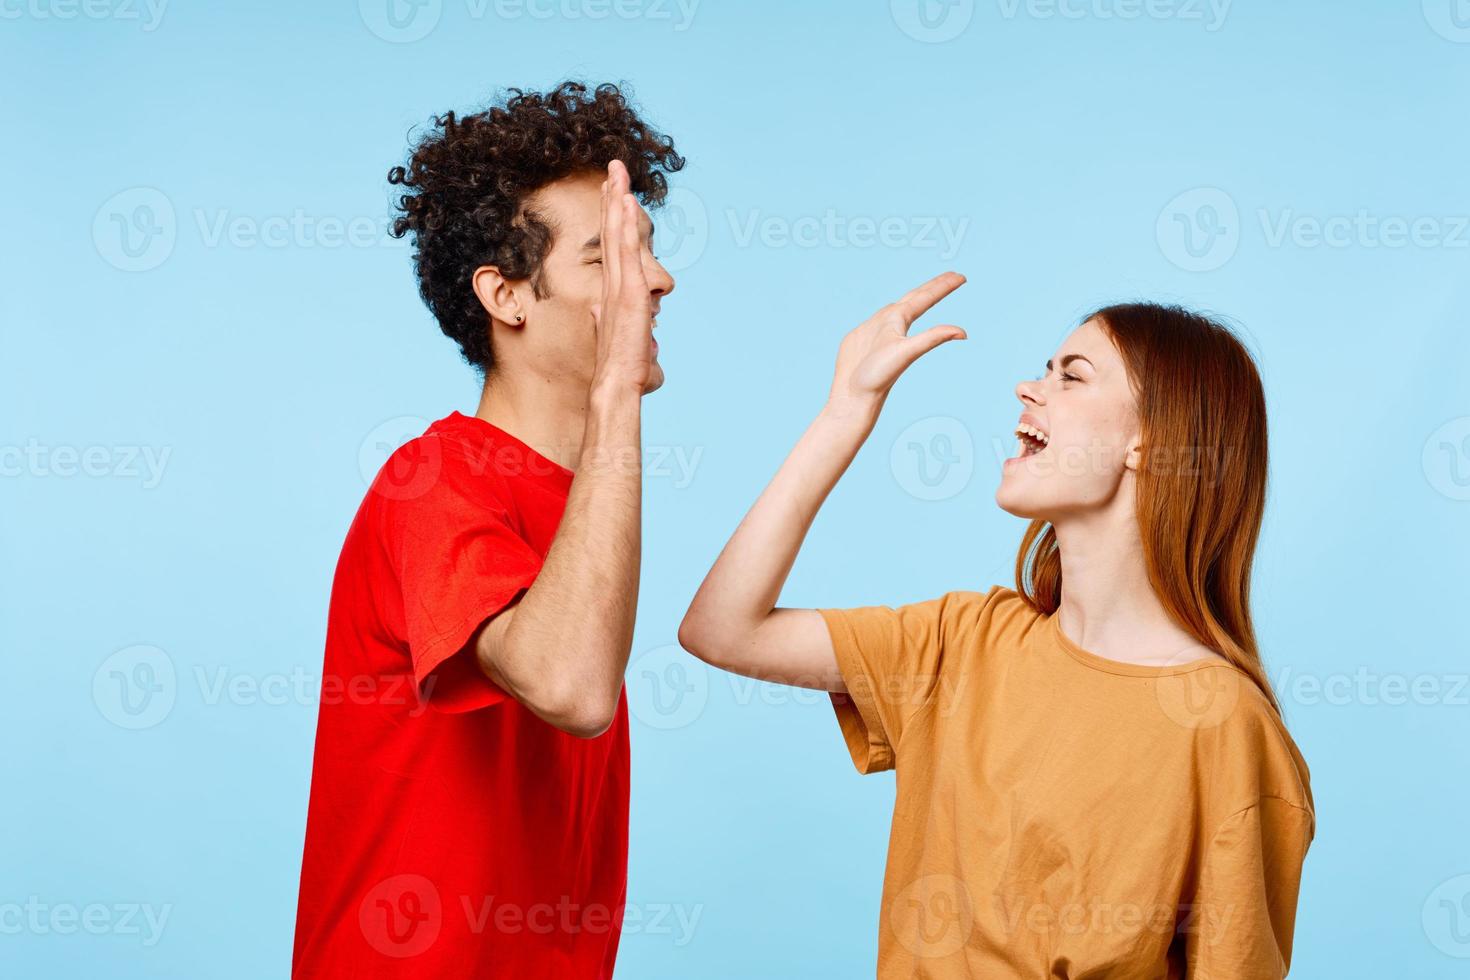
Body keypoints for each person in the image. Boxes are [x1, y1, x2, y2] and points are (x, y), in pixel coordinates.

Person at [679, 273, 1315, 977]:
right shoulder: (961, 643)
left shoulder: (1225, 727)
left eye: (1072, 377)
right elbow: (721, 629)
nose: (1030, 388)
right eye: (1046, 369)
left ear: (1151, 441)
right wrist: (846, 411)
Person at [292, 82, 680, 978]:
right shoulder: (432, 485)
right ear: (506, 297)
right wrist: (616, 386)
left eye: (647, 252)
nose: (654, 281)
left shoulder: (586, 505)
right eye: (607, 260)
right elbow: (573, 688)